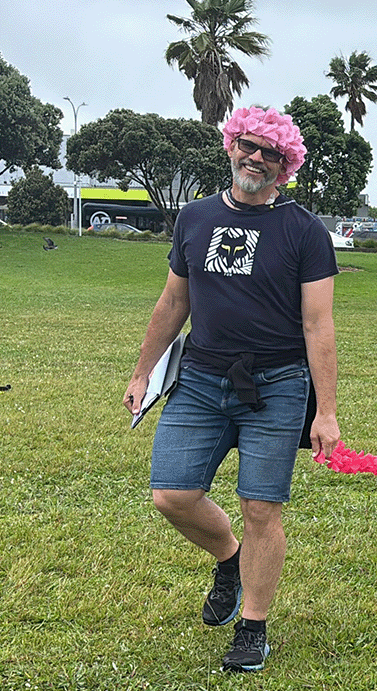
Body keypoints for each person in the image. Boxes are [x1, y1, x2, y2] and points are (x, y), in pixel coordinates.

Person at [123, 106, 340, 672]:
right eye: (249, 145)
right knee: (172, 493)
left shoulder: (304, 230)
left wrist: (327, 414)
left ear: (285, 164)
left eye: (271, 153)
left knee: (261, 507)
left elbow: (318, 325)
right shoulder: (194, 219)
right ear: (231, 146)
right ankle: (229, 559)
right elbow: (174, 302)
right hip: (198, 380)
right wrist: (143, 372)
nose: (257, 158)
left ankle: (252, 628)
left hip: (277, 385)